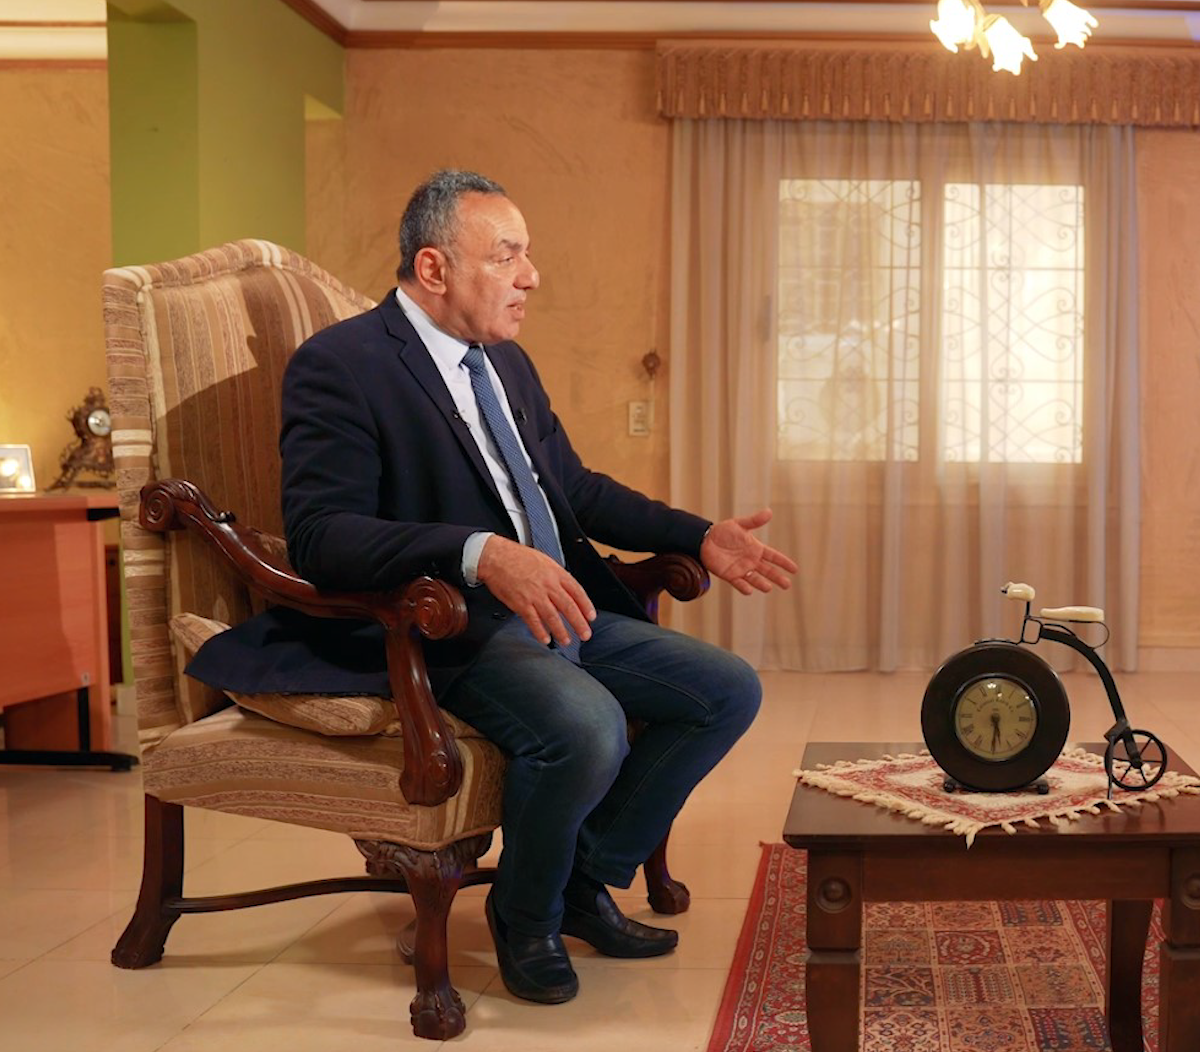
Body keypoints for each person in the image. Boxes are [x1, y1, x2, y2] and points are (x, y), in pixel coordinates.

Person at [188, 169, 799, 1006]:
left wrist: (697, 535)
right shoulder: (343, 365)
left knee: (725, 689)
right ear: (434, 268)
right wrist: (479, 554)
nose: (530, 276)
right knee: (586, 725)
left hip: (551, 608)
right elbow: (324, 536)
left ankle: (581, 881)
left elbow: (573, 488)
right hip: (441, 625)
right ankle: (525, 918)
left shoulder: (504, 362)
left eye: (527, 254)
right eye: (507, 255)